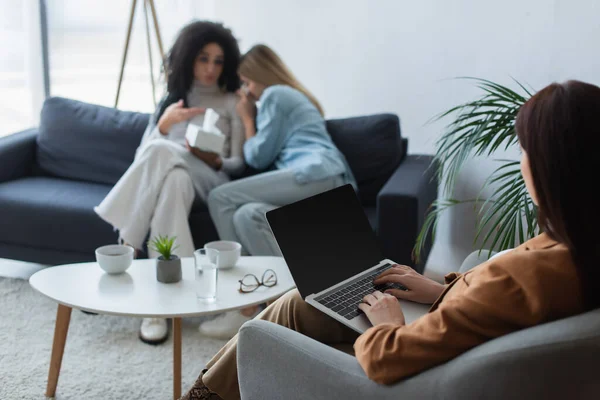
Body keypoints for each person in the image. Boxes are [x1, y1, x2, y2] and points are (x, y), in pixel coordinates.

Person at [180, 79, 600, 400]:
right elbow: (496, 308)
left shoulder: (526, 275)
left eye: (525, 149)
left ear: (551, 167)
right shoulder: (576, 249)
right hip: (449, 340)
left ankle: (201, 395)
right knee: (306, 300)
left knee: (280, 320)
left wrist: (388, 323)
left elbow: (388, 358)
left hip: (405, 370)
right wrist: (440, 290)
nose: (522, 160)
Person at [94, 20, 244, 345]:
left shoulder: (233, 102)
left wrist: (212, 159)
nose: (210, 68)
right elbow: (142, 158)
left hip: (212, 179)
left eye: (217, 61)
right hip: (178, 177)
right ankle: (164, 306)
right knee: (172, 177)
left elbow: (239, 163)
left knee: (164, 152)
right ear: (189, 58)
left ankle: (127, 244)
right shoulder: (172, 100)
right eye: (203, 58)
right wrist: (163, 127)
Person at [196, 44, 357, 340]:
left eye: (247, 82)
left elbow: (257, 155)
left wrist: (246, 117)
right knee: (247, 215)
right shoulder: (290, 97)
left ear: (260, 74)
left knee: (220, 197)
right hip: (325, 180)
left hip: (316, 173)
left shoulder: (275, 94)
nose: (248, 91)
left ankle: (241, 304)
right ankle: (286, 306)